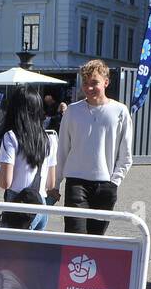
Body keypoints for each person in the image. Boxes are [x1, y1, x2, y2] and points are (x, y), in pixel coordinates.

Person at [52, 60, 133, 236]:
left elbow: (125, 155)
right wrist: (55, 183)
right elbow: (62, 150)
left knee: (96, 239)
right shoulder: (72, 111)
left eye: (94, 83)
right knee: (75, 235)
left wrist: (114, 182)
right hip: (76, 182)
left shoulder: (120, 111)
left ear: (106, 82)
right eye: (85, 83)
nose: (89, 88)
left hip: (105, 184)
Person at [0, 90, 56, 230]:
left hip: (18, 202)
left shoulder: (11, 136)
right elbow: (51, 183)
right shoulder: (49, 138)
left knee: (9, 249)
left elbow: (6, 182)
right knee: (34, 251)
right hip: (41, 205)